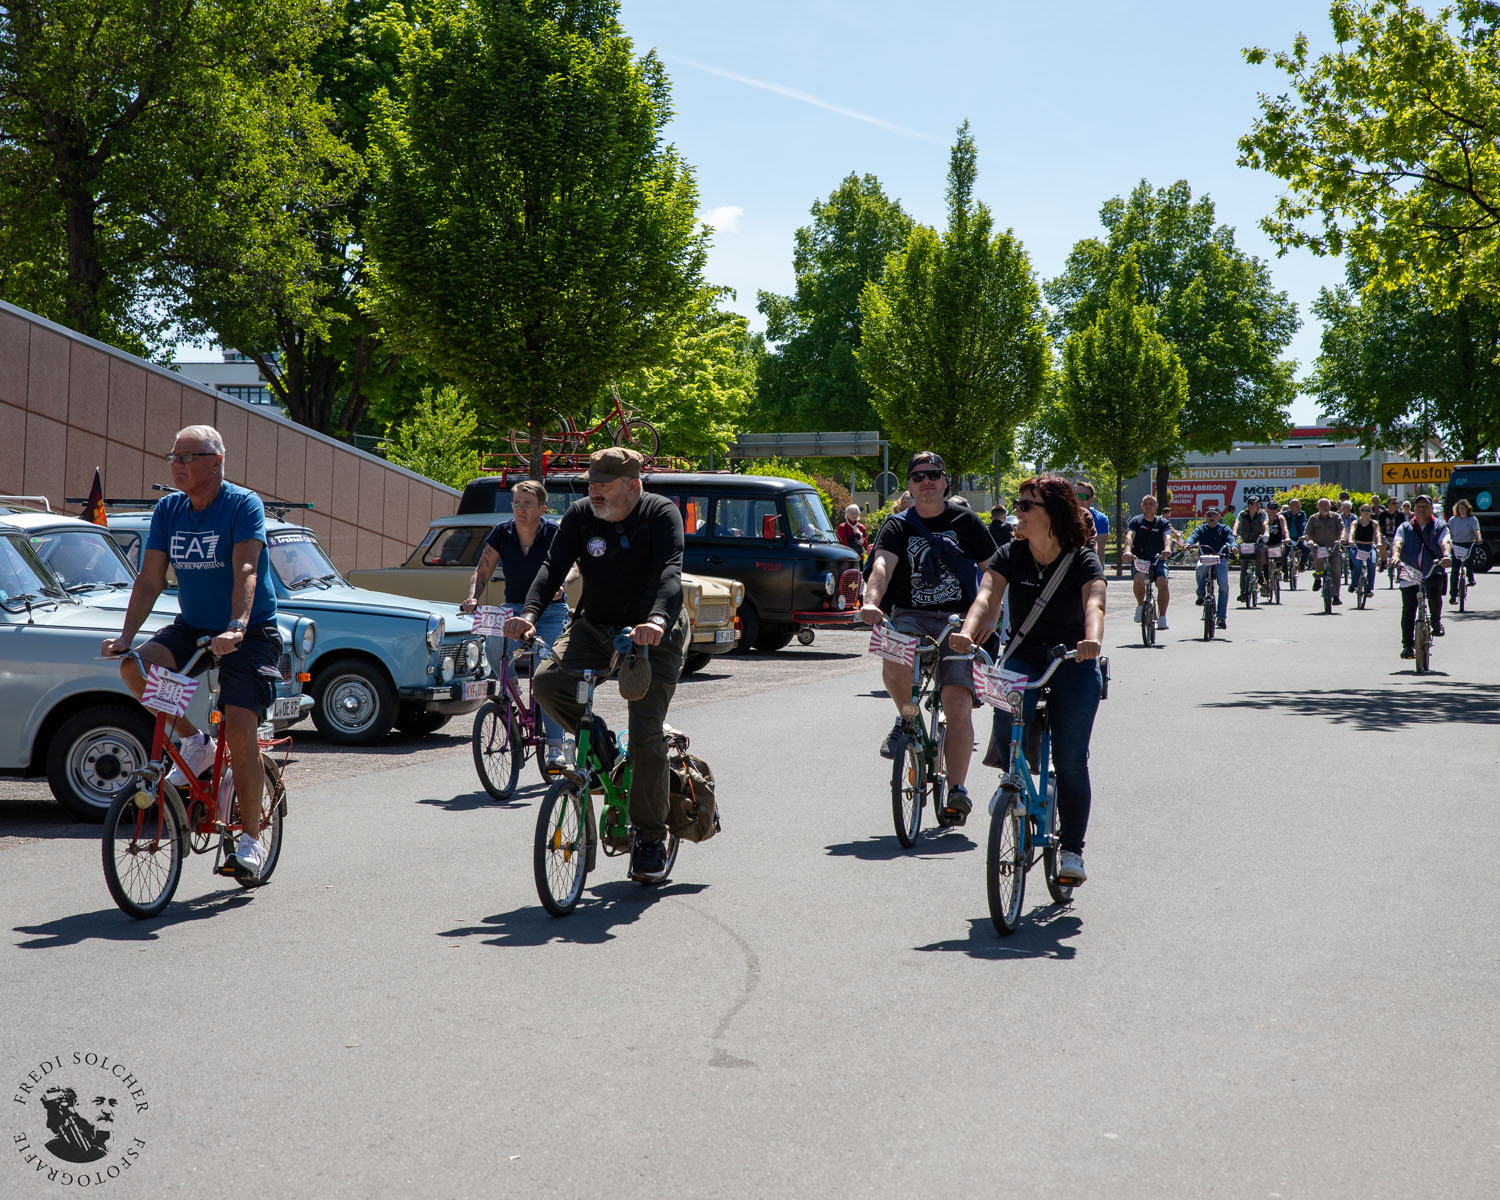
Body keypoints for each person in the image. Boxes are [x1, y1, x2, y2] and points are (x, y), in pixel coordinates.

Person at [102, 425, 281, 877]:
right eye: (173, 456)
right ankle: (195, 742)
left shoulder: (242, 504)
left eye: (188, 457)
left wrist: (236, 626)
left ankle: (251, 842)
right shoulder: (169, 509)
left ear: (216, 462)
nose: (177, 465)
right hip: (194, 626)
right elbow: (149, 579)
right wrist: (126, 636)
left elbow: (246, 568)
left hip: (250, 631)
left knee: (239, 725)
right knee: (135, 668)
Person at [503, 448, 688, 882]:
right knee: (548, 683)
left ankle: (650, 839)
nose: (595, 493)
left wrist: (656, 621)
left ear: (633, 486)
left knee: (645, 734)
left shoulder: (660, 513)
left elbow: (670, 573)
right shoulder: (582, 515)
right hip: (595, 625)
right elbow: (552, 567)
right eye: (592, 485)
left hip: (653, 631)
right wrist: (529, 614)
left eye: (604, 486)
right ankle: (602, 746)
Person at [950, 475, 1105, 886]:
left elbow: (1095, 601)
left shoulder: (1082, 559)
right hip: (1024, 653)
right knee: (1005, 712)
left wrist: (1092, 639)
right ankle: (1013, 780)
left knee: (1071, 760)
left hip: (1072, 657)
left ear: (1052, 513)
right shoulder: (1010, 554)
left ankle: (1071, 850)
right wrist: (968, 631)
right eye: (1016, 504)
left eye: (1025, 505)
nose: (1016, 512)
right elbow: (986, 596)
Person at [859, 451, 995, 826]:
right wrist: (871, 602)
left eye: (933, 474)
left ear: (945, 481)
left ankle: (957, 791)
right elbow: (882, 566)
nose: (926, 482)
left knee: (957, 703)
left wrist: (990, 613)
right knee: (894, 657)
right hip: (910, 615)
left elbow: (992, 572)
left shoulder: (966, 520)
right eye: (918, 477)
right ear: (909, 485)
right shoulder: (897, 525)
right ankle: (907, 719)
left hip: (959, 620)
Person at [460, 479, 568, 768]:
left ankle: (555, 747)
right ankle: (512, 689)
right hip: (513, 608)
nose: (520, 509)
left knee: (547, 675)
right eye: (517, 503)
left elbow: (572, 567)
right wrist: (473, 597)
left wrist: (561, 585)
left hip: (550, 611)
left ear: (542, 508)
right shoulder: (502, 532)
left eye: (527, 504)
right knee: (493, 647)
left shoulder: (553, 533)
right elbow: (482, 571)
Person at [1392, 494, 1452, 658]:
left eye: (1425, 506)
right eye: (1419, 506)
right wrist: (1396, 556)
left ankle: (1436, 622)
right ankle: (1407, 646)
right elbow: (1398, 543)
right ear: (1414, 509)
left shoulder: (1439, 526)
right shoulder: (1405, 527)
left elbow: (1444, 542)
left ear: (1431, 508)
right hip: (1409, 571)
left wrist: (1446, 556)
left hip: (1432, 568)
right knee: (1408, 609)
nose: (1422, 509)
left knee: (1434, 593)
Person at [1123, 493, 1174, 630]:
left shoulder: (1162, 523)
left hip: (1158, 559)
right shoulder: (1135, 521)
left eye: (1151, 504)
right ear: (1141, 506)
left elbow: (1167, 537)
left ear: (1156, 506)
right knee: (1139, 579)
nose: (1148, 506)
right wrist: (1127, 550)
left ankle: (1162, 617)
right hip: (1140, 560)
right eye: (1145, 504)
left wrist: (1167, 549)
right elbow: (1129, 536)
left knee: (1162, 582)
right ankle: (1140, 605)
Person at [1187, 506, 1234, 629]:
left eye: (1214, 515)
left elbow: (1231, 538)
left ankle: (1221, 617)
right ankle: (1201, 595)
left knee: (1223, 585)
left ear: (1219, 516)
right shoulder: (1201, 529)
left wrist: (1234, 546)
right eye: (1209, 515)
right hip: (1205, 558)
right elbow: (1192, 537)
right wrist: (1187, 543)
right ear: (1205, 517)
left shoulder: (1224, 529)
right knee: (1199, 568)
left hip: (1220, 558)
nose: (1211, 517)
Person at [40, 1087, 114, 1164]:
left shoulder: (108, 1144)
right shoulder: (55, 1150)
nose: (107, 1111)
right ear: (76, 1104)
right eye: (98, 1102)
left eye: (112, 1103)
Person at [1303, 497, 1345, 604]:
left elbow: (1342, 529)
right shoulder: (1313, 518)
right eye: (1321, 505)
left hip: (1334, 548)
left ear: (1330, 506)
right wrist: (1310, 541)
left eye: (1326, 505)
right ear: (1318, 507)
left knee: (1336, 571)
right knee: (1320, 559)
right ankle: (1318, 578)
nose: (1324, 507)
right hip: (1319, 547)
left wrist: (1342, 538)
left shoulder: (1336, 517)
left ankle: (1336, 596)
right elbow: (1307, 533)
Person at [1233, 497, 1269, 604]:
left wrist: (1266, 533)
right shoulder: (1242, 514)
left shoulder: (1262, 514)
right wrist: (1234, 533)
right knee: (1244, 568)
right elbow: (1236, 524)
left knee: (1259, 553)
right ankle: (1243, 592)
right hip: (1245, 541)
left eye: (1259, 504)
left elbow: (1265, 524)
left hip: (1257, 540)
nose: (1258, 506)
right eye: (1256, 504)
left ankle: (1260, 576)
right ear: (1250, 505)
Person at [1447, 498, 1481, 601]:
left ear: (1467, 509)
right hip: (1456, 545)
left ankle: (1470, 578)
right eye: (1460, 508)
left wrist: (1478, 538)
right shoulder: (1453, 520)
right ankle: (1453, 595)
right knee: (1454, 570)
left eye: (1464, 508)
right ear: (1457, 509)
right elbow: (1448, 533)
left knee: (1469, 562)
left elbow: (1477, 530)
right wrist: (1447, 541)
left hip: (1468, 544)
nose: (1462, 510)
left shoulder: (1472, 519)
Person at [1346, 503, 1382, 594]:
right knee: (1357, 565)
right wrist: (1350, 540)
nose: (1366, 512)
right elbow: (1352, 532)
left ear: (1371, 512)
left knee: (1372, 564)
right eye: (1364, 510)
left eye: (1368, 510)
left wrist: (1379, 542)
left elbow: (1377, 533)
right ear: (1360, 512)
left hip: (1369, 547)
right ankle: (1354, 584)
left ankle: (1369, 588)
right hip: (1357, 546)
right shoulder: (1355, 523)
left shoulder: (1374, 523)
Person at [1075, 481, 1109, 560]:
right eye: (1076, 496)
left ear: (1091, 499)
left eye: (1084, 497)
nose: (1079, 500)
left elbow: (1099, 548)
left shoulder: (1101, 519)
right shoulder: (1066, 516)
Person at [1264, 501, 1291, 589]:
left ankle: (1278, 571)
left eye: (1274, 508)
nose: (1272, 510)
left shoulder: (1280, 518)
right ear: (1266, 509)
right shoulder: (1263, 517)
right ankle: (1265, 583)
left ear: (1277, 510)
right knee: (1264, 562)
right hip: (1265, 544)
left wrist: (1287, 537)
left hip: (1276, 543)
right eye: (1270, 508)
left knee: (1281, 556)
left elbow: (1285, 528)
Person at [1376, 497, 1403, 570]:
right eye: (1393, 503)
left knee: (1398, 549)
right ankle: (1383, 561)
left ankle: (1398, 569)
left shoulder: (1400, 514)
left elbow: (1402, 527)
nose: (1395, 505)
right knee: (1382, 545)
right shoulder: (1382, 514)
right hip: (1385, 536)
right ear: (1388, 505)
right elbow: (1379, 527)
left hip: (1396, 536)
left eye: (1396, 503)